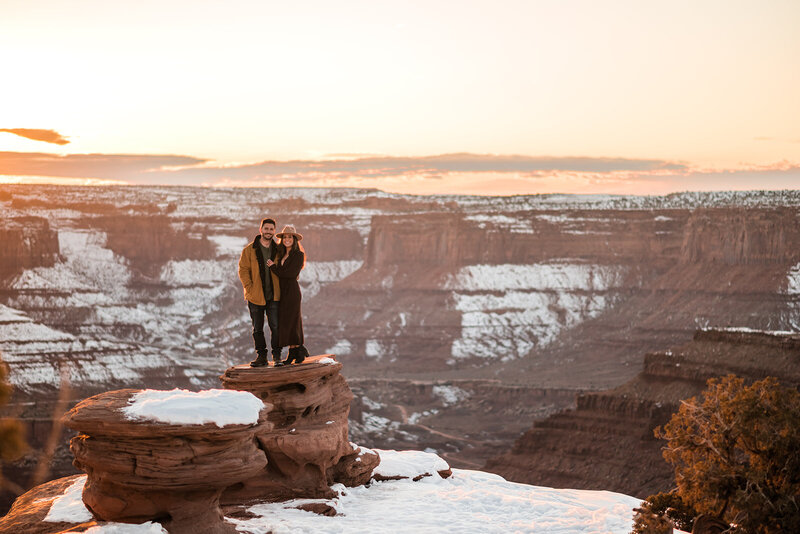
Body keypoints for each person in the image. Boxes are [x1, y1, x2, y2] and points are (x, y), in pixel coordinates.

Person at [238, 218, 283, 367]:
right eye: (266, 229)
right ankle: (261, 357)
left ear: (274, 231)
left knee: (275, 327)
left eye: (271, 229)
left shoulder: (278, 250)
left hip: (274, 296)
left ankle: (277, 357)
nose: (268, 231)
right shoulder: (249, 250)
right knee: (257, 328)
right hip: (255, 296)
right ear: (261, 229)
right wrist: (249, 288)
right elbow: (243, 270)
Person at [267, 225, 309, 365]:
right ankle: (297, 351)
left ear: (294, 239)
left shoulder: (298, 255)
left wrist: (273, 267)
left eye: (290, 237)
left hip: (292, 291)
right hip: (283, 292)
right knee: (288, 321)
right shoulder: (282, 254)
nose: (287, 239)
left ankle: (295, 352)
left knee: (293, 320)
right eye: (285, 237)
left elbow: (289, 274)